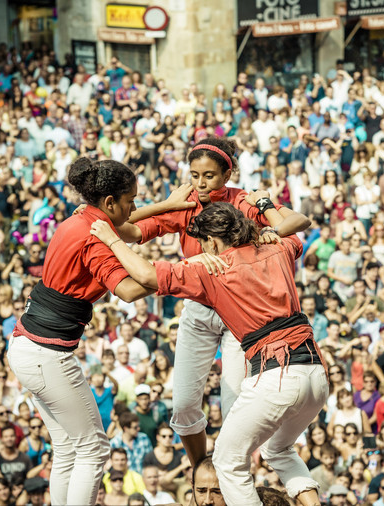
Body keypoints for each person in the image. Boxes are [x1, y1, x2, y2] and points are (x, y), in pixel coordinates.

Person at [90, 202, 327, 505]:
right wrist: (268, 210)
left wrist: (112, 240)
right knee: (277, 450)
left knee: (227, 462)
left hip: (275, 376)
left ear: (212, 242)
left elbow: (147, 277)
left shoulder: (212, 270)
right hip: (316, 375)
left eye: (202, 243)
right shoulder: (277, 247)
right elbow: (297, 225)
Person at [110, 137, 309, 467]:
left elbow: (294, 232)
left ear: (226, 176)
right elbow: (126, 229)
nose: (200, 183)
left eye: (209, 176)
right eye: (195, 175)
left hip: (238, 315)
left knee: (235, 405)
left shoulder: (243, 201)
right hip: (199, 309)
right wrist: (167, 205)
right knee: (184, 404)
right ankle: (202, 471)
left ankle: (232, 474)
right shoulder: (186, 202)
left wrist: (266, 230)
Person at [7, 158, 161, 505]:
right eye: (131, 200)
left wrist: (168, 205)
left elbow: (129, 223)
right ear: (109, 203)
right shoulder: (95, 238)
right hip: (47, 355)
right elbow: (131, 291)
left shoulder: (80, 217)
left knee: (67, 447)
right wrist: (187, 271)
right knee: (94, 449)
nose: (134, 206)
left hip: (25, 346)